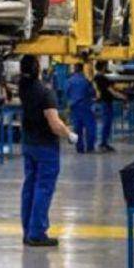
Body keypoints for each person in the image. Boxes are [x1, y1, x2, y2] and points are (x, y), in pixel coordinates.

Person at [18, 55, 79, 247]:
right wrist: (69, 134)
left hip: (29, 143)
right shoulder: (45, 93)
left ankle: (28, 231)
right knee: (43, 188)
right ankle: (37, 233)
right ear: (38, 69)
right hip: (45, 146)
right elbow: (54, 124)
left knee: (30, 186)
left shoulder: (23, 88)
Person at [94, 61, 127, 152]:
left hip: (105, 102)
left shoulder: (98, 77)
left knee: (106, 123)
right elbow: (111, 91)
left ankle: (104, 143)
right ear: (104, 67)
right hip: (106, 102)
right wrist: (122, 96)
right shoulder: (101, 78)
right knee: (106, 123)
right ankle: (103, 143)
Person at [64, 64, 97, 153]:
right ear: (82, 70)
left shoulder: (69, 81)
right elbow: (92, 93)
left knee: (77, 129)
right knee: (90, 128)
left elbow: (66, 93)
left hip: (74, 107)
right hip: (86, 106)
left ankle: (79, 148)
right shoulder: (86, 81)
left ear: (74, 69)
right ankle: (90, 147)